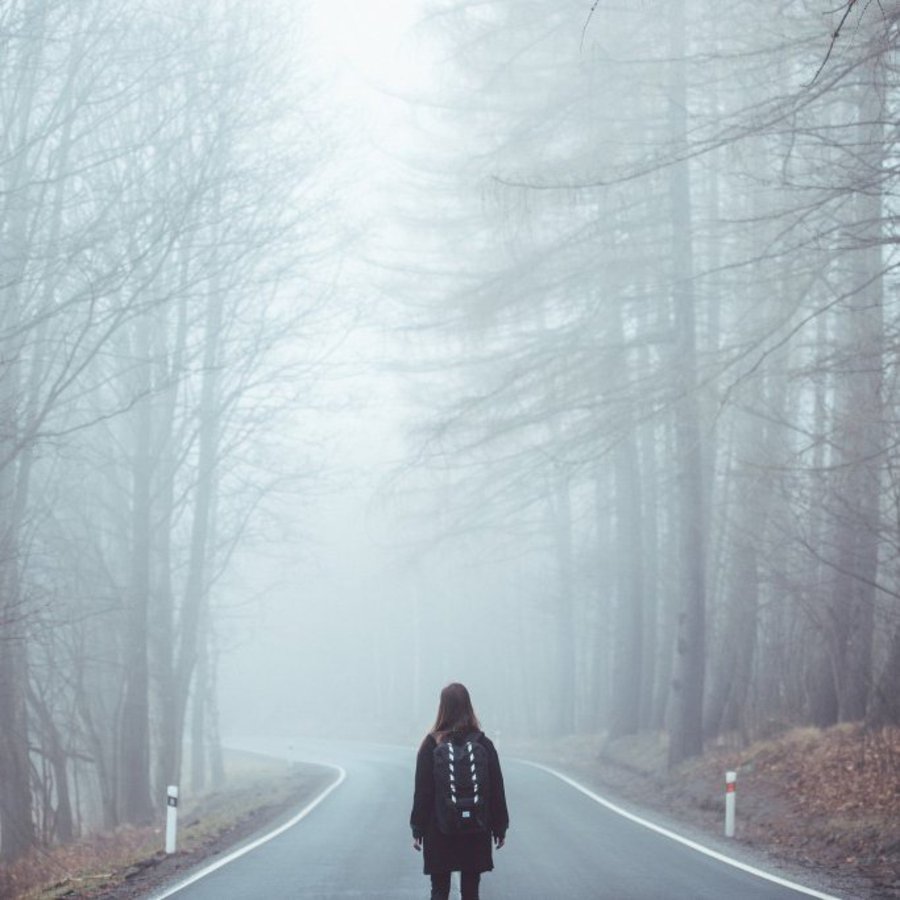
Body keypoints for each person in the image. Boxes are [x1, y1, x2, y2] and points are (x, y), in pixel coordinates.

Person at [410, 682, 509, 900]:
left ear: (442, 707)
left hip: (439, 829)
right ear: (468, 706)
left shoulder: (430, 745)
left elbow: (423, 792)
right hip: (476, 828)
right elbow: (496, 789)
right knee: (471, 890)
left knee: (439, 889)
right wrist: (500, 827)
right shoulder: (484, 744)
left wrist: (417, 829)